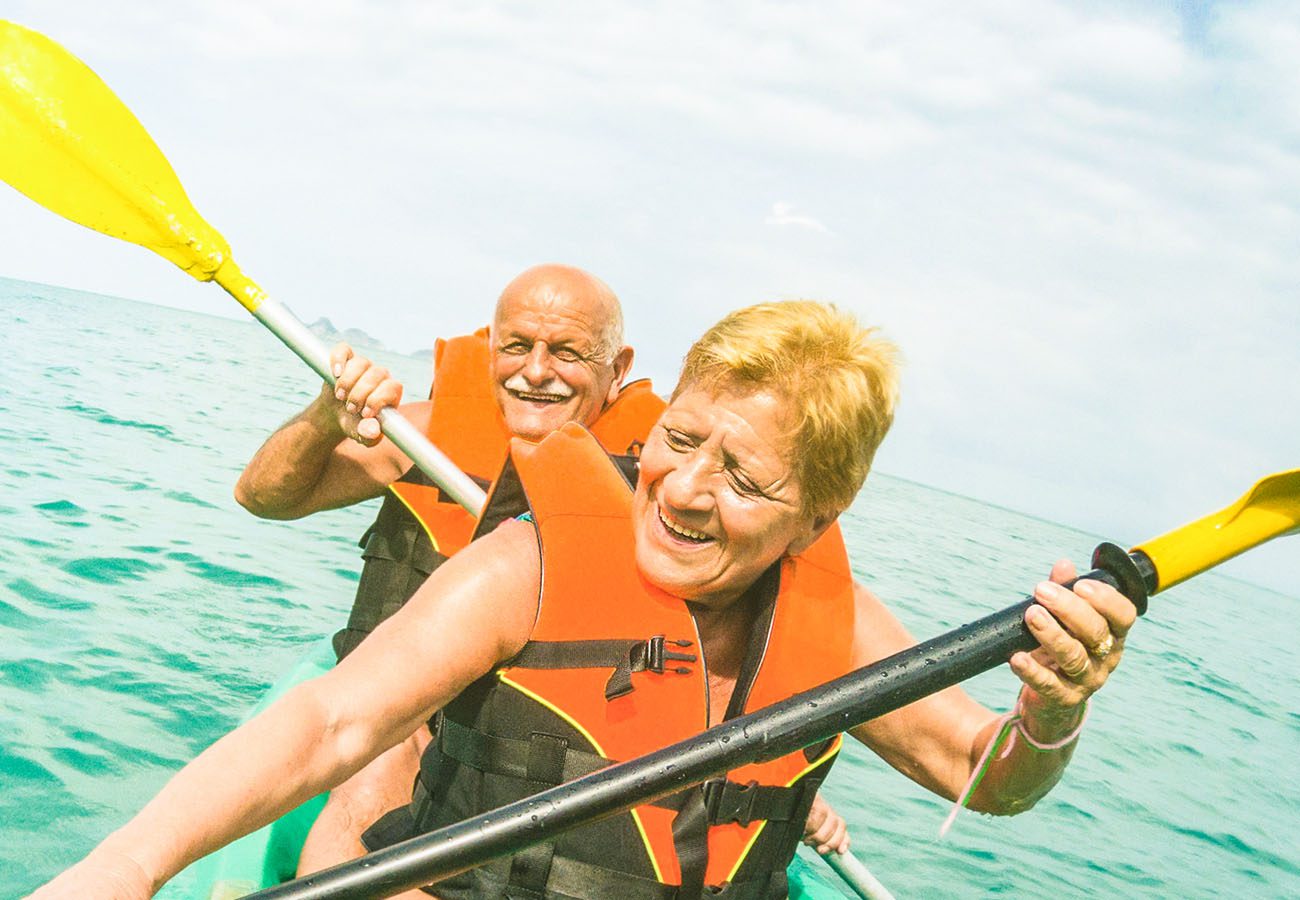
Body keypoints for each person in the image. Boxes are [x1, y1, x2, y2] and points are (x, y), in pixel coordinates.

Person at [33, 300, 1137, 900]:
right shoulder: (532, 565)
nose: (684, 491)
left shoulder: (839, 625)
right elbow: (335, 719)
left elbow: (986, 778)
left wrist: (1052, 711)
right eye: (679, 439)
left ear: (819, 514)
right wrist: (124, 868)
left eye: (744, 479)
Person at [232, 266, 848, 874]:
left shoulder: (662, 493)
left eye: (568, 353)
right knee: (371, 785)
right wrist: (321, 420)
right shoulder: (420, 435)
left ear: (619, 369)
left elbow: (727, 653)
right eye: (517, 347)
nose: (535, 371)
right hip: (409, 704)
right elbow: (263, 498)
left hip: (564, 733)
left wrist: (770, 771)